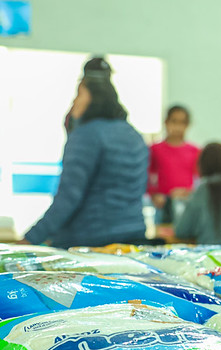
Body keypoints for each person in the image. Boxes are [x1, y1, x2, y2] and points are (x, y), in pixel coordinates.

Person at [22, 69, 148, 248]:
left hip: (89, 240)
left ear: (94, 99)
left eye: (79, 94)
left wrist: (30, 239)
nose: (74, 102)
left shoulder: (87, 135)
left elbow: (69, 197)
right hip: (132, 237)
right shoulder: (134, 135)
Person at [148, 105, 201, 224]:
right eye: (174, 121)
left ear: (187, 125)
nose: (177, 127)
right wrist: (154, 195)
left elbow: (198, 181)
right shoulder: (155, 149)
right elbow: (149, 176)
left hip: (186, 205)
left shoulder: (195, 151)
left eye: (182, 122)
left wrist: (189, 193)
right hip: (163, 206)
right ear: (166, 122)